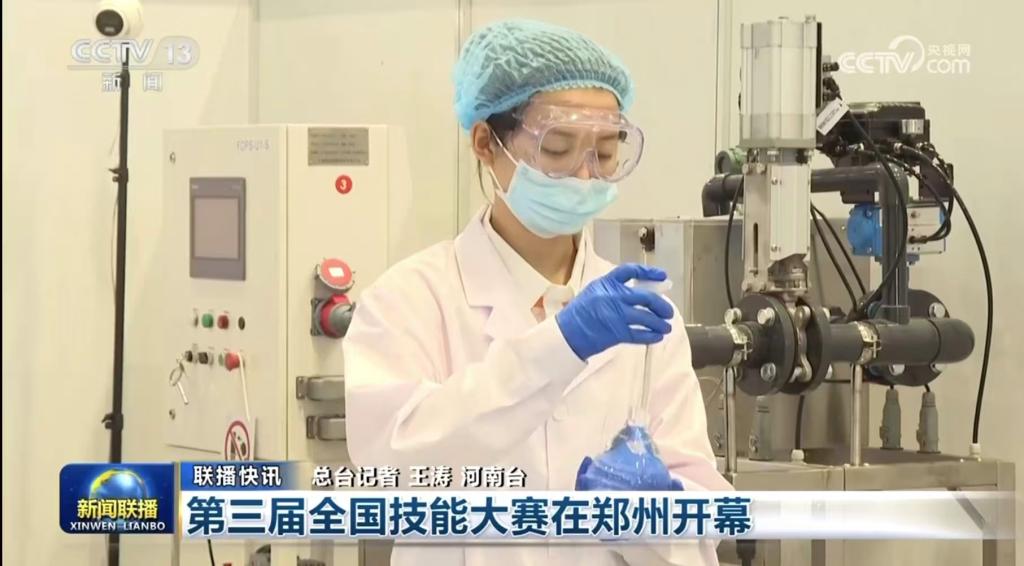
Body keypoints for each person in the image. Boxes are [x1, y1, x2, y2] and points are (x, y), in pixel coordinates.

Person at [343, 18, 730, 565]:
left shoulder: (644, 316)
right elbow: (393, 464)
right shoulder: (410, 300)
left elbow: (705, 516)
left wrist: (654, 514)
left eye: (605, 151)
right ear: (486, 142)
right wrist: (559, 345)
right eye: (558, 148)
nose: (585, 175)